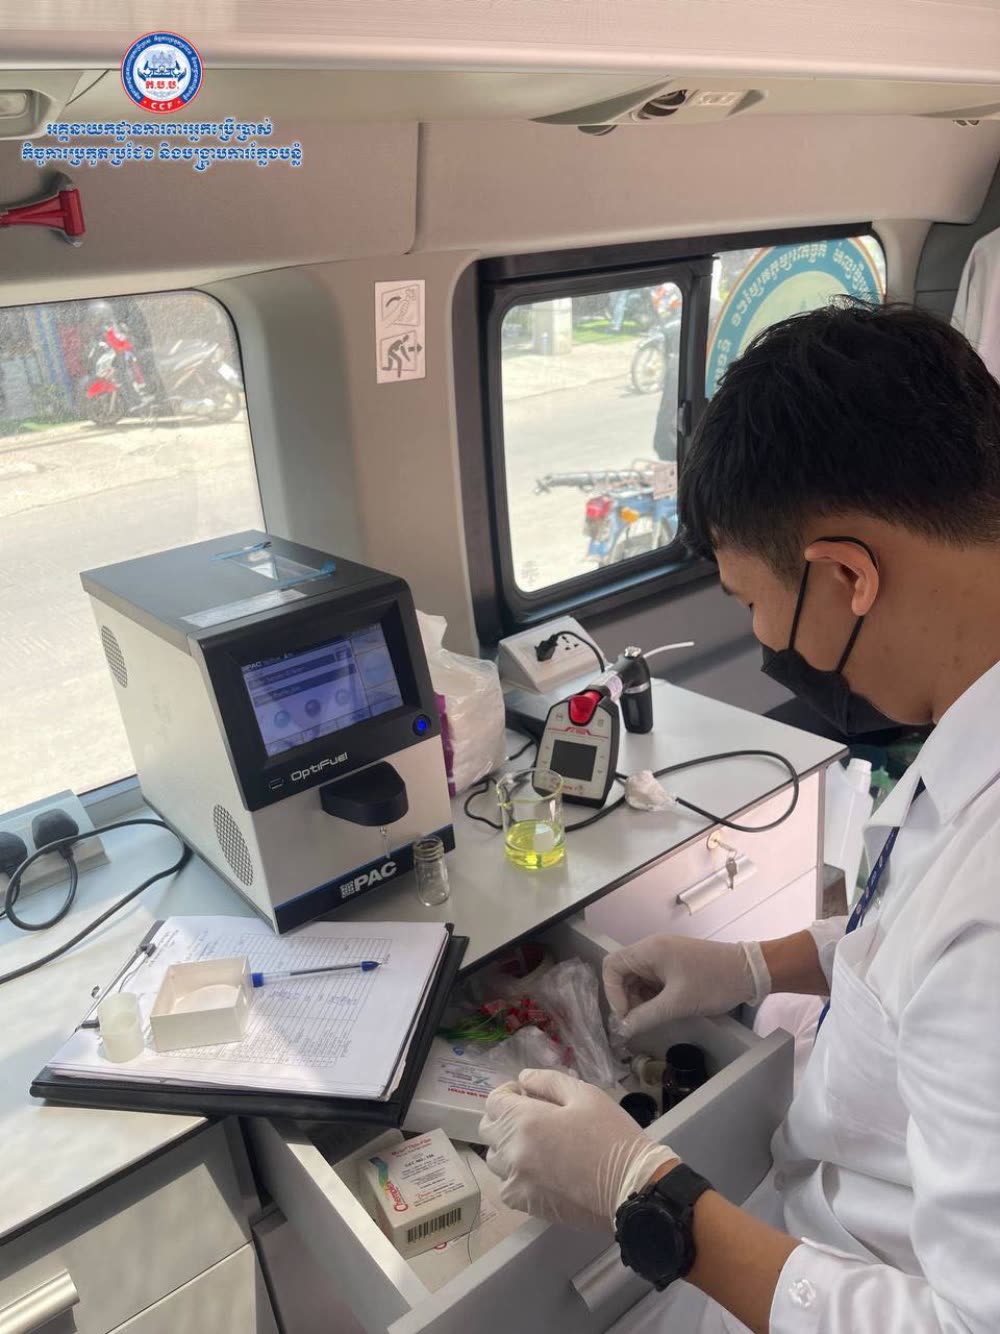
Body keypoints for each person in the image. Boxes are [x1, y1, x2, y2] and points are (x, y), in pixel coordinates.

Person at [480, 301, 1000, 1334]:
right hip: (816, 1210)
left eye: (752, 599)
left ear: (848, 575)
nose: (765, 637)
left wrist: (647, 1196)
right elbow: (921, 954)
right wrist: (754, 965)